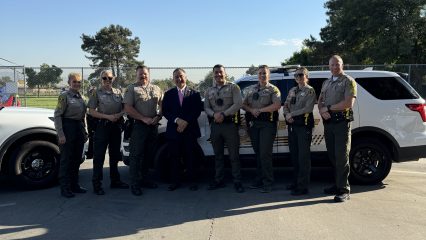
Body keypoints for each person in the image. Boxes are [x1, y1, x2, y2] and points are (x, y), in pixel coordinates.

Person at [318, 55, 357, 202]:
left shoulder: (348, 81)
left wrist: (328, 108)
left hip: (341, 123)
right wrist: (322, 110)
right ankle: (337, 184)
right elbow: (320, 100)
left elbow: (348, 103)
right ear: (329, 66)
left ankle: (344, 189)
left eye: (337, 64)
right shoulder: (326, 83)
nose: (335, 67)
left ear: (342, 65)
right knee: (333, 155)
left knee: (342, 157)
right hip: (329, 123)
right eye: (332, 65)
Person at [88, 70, 129, 195]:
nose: (107, 80)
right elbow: (91, 111)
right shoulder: (96, 93)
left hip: (116, 127)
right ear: (101, 79)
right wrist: (107, 117)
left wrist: (119, 114)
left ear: (113, 79)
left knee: (115, 155)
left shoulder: (118, 92)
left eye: (109, 78)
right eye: (104, 78)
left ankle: (115, 181)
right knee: (99, 156)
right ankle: (97, 184)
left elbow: (125, 108)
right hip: (102, 127)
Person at [204, 64, 244, 193]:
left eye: (220, 72)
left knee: (234, 156)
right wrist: (214, 114)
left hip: (230, 125)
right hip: (215, 126)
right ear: (213, 74)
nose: (218, 74)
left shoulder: (234, 87)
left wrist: (223, 114)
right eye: (216, 72)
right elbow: (206, 107)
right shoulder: (208, 90)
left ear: (225, 73)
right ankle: (218, 180)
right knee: (218, 155)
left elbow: (238, 103)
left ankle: (237, 181)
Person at [123, 65, 163, 196]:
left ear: (149, 74)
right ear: (136, 75)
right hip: (139, 126)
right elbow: (127, 108)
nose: (143, 76)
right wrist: (143, 118)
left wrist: (158, 117)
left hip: (153, 126)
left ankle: (145, 179)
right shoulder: (131, 89)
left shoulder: (156, 88)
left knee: (148, 155)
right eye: (140, 74)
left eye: (145, 73)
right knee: (136, 155)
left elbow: (163, 105)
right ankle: (134, 184)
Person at [242, 65, 281, 193]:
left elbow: (277, 105)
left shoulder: (273, 89)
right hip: (254, 125)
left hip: (267, 125)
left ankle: (268, 183)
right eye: (260, 73)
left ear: (268, 75)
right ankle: (259, 179)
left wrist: (260, 110)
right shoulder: (251, 89)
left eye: (264, 73)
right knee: (258, 152)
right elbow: (243, 104)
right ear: (257, 75)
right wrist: (251, 110)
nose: (262, 75)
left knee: (265, 153)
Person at [162, 68, 202, 191]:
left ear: (186, 77)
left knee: (190, 156)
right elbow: (166, 111)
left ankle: (192, 181)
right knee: (174, 157)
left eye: (181, 76)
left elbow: (197, 110)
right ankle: (175, 182)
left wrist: (186, 122)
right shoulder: (168, 94)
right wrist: (177, 120)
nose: (179, 79)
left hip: (190, 130)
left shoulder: (195, 93)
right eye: (176, 77)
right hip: (174, 131)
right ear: (173, 79)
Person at [283, 67, 316, 195]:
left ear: (306, 76)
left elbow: (308, 108)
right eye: (296, 75)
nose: (298, 77)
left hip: (303, 127)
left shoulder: (310, 91)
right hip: (292, 127)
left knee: (303, 158)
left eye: (301, 75)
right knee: (295, 156)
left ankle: (303, 187)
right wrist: (287, 114)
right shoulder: (292, 90)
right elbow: (285, 105)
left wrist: (292, 114)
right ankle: (296, 182)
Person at [54, 73, 87, 198]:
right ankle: (65, 187)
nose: (77, 84)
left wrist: (84, 132)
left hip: (78, 128)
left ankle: (75, 185)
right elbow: (57, 116)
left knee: (76, 159)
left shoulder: (81, 97)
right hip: (67, 127)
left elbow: (83, 117)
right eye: (74, 82)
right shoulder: (64, 96)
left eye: (79, 82)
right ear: (69, 83)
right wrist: (61, 134)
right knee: (66, 159)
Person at [85, 86, 97, 159]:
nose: (92, 93)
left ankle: (91, 153)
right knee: (91, 137)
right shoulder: (87, 100)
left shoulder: (97, 99)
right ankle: (90, 152)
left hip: (95, 119)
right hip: (89, 119)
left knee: (93, 137)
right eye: (91, 92)